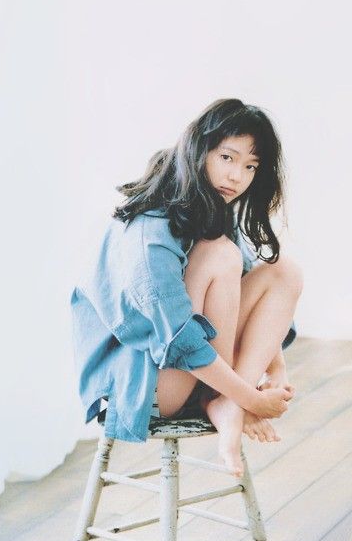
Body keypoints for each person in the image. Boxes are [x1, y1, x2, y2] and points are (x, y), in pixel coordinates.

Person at [71, 98, 303, 477]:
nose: (237, 176)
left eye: (250, 166)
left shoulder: (209, 206)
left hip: (195, 369)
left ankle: (227, 402)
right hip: (150, 384)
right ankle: (228, 399)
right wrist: (252, 399)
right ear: (199, 149)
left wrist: (277, 370)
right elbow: (178, 339)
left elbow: (247, 291)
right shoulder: (150, 228)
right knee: (221, 254)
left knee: (283, 272)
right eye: (227, 158)